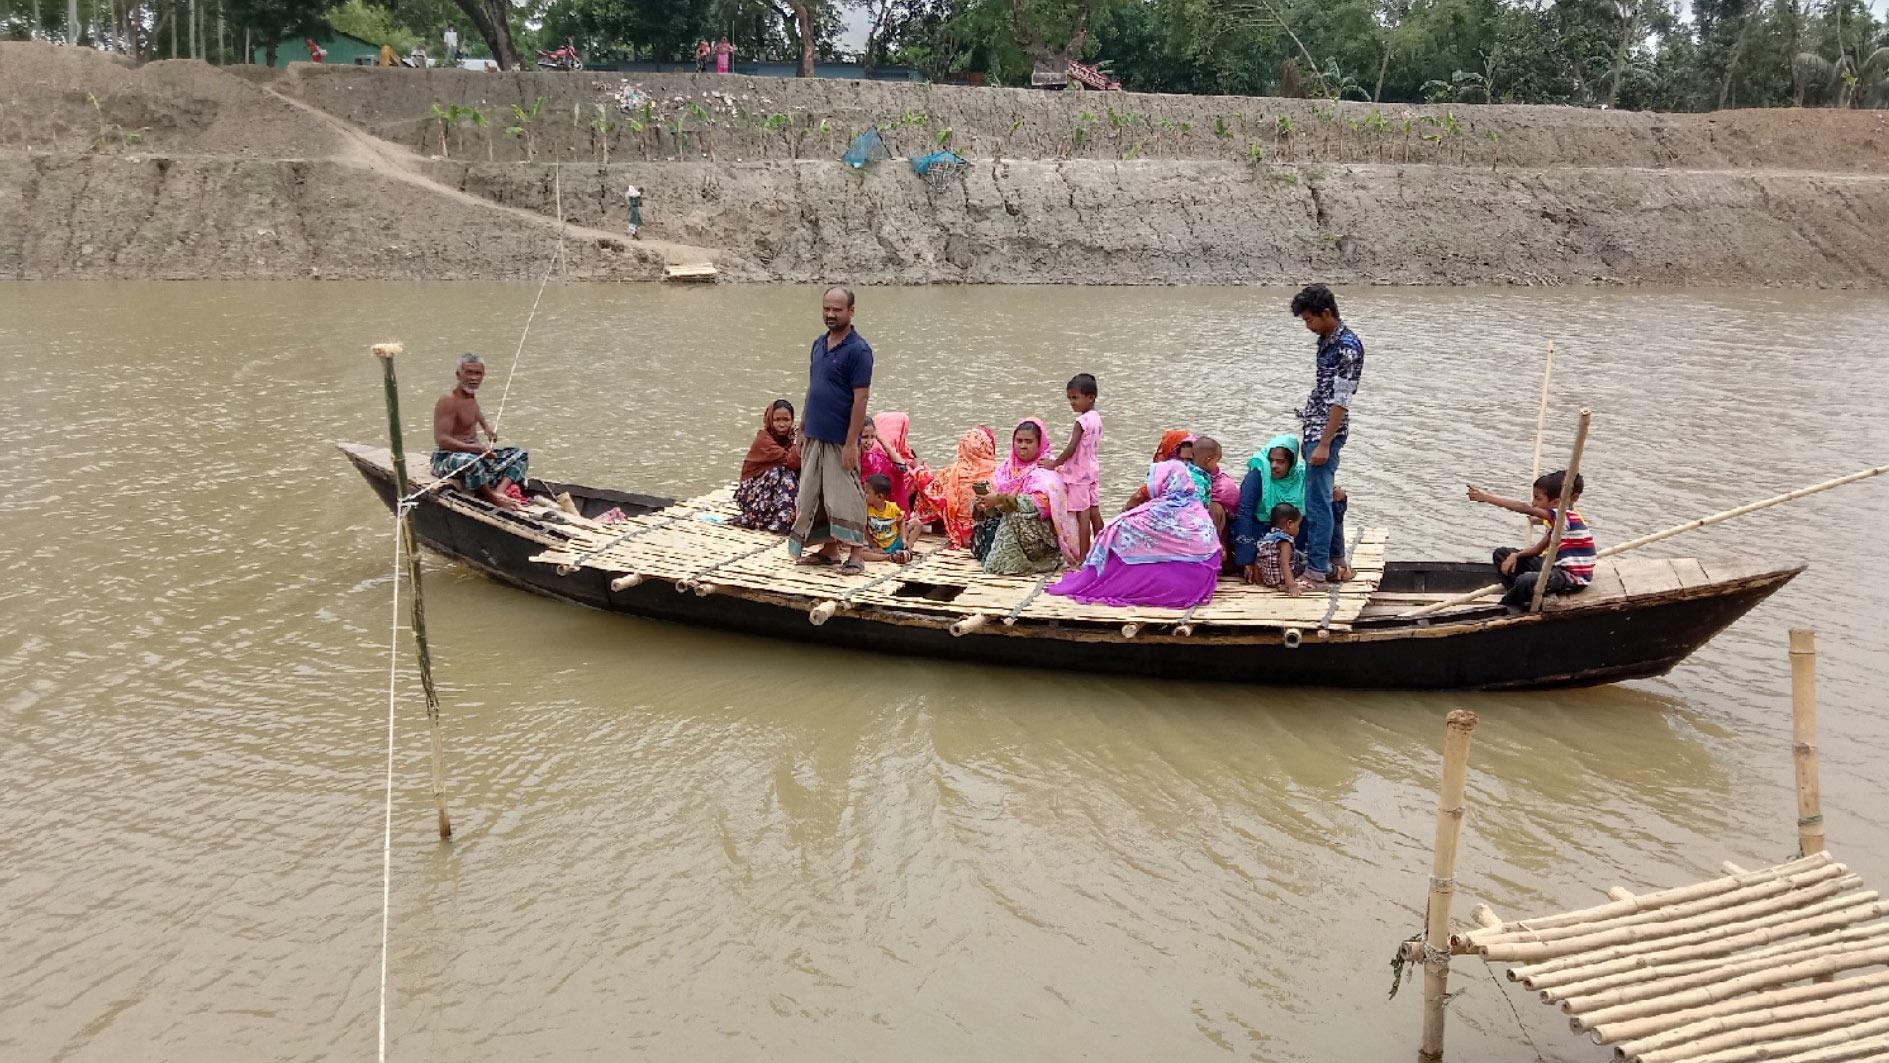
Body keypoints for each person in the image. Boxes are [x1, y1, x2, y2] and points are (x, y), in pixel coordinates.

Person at [1048, 459, 1221, 608]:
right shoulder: (1197, 508)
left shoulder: (1158, 513)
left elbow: (1120, 532)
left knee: (1118, 538)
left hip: (1181, 587)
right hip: (1202, 581)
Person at [789, 286, 873, 574]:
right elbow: (813, 387)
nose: (830, 314)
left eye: (837, 309)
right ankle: (829, 550)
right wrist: (802, 426)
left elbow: (861, 398)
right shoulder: (818, 344)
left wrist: (852, 442)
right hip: (815, 431)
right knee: (814, 492)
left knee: (846, 494)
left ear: (851, 311)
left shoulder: (858, 351)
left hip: (840, 436)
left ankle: (857, 553)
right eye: (827, 308)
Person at [1290, 283, 1363, 584]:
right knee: (1323, 496)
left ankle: (1317, 571)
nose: (1307, 326)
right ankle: (1335, 559)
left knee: (1317, 503)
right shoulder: (1326, 340)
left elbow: (1341, 400)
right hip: (1315, 427)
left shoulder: (1347, 347)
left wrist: (1324, 443)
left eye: (1309, 319)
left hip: (1325, 433)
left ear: (1326, 313)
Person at [1468, 471, 1596, 610]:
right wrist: (1515, 555)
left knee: (1526, 580)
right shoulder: (1558, 524)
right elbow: (1538, 549)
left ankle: (1505, 606)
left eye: (1538, 498)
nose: (1534, 503)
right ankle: (1522, 598)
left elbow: (1524, 508)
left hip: (1570, 577)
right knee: (1502, 554)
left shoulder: (1564, 517)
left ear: (1556, 502)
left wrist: (1486, 498)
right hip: (1554, 568)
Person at [971, 419, 1079, 575]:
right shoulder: (1006, 468)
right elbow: (995, 495)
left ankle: (1014, 562)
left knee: (1013, 514)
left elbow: (1040, 506)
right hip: (1010, 527)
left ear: (1039, 444)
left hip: (1038, 535)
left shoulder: (1047, 469)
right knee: (980, 503)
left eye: (1029, 441)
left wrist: (1000, 499)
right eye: (1019, 441)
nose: (1023, 446)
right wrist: (988, 504)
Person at [1232, 433, 1349, 577]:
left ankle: (1334, 557)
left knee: (1332, 501)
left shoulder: (1301, 475)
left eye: (1280, 462)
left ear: (1291, 463)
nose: (1274, 466)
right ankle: (1329, 570)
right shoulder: (1259, 474)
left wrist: (1335, 494)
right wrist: (1247, 560)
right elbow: (1244, 513)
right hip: (1262, 534)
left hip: (1294, 532)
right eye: (1271, 460)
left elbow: (1319, 507)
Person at [431, 353, 528, 510]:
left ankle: (499, 492)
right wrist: (476, 449)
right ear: (458, 374)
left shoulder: (470, 396)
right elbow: (442, 440)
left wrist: (487, 428)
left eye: (478, 373)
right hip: (447, 458)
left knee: (520, 453)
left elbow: (476, 413)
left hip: (475, 454)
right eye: (469, 372)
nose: (474, 378)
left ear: (483, 375)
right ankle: (492, 500)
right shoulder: (448, 400)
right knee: (471, 461)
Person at [1045, 373, 1103, 560]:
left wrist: (1054, 464)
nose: (1072, 402)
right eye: (1070, 398)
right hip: (1092, 470)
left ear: (1090, 397)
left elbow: (1071, 448)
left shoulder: (1081, 422)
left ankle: (1084, 557)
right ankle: (1104, 548)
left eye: (1075, 398)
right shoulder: (1096, 418)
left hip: (1079, 474)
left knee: (1082, 515)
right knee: (1095, 512)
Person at [911, 425, 996, 548]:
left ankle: (939, 528)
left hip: (962, 534)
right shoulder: (999, 472)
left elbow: (929, 491)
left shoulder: (952, 472)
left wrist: (919, 469)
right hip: (989, 533)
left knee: (939, 499)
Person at [733, 399, 801, 533]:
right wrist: (797, 441)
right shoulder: (763, 440)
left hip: (773, 494)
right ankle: (782, 520)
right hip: (752, 495)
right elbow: (792, 461)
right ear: (770, 420)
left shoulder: (791, 437)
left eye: (786, 420)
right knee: (781, 470)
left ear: (792, 420)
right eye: (777, 420)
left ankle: (785, 518)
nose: (782, 424)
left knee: (792, 472)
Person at [1249, 503, 1316, 595]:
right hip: (1282, 579)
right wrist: (1291, 585)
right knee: (1310, 563)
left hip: (1269, 581)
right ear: (1289, 524)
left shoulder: (1266, 539)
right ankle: (1333, 570)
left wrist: (1258, 580)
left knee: (1299, 554)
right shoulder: (1285, 542)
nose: (1298, 529)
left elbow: (1258, 560)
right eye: (1298, 525)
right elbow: (1284, 563)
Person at [870, 411, 927, 511]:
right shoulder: (902, 464)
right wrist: (919, 468)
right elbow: (926, 488)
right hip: (898, 516)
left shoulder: (864, 455)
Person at [1123, 430, 1194, 509]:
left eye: (1189, 460)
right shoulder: (1202, 475)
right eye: (1182, 459)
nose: (1185, 463)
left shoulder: (1163, 474)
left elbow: (1137, 498)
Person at [1189, 436, 1241, 530]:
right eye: (1216, 461)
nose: (1216, 465)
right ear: (1207, 460)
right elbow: (1198, 505)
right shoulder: (1199, 480)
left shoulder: (1185, 470)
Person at [861, 474, 911, 564]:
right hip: (879, 545)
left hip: (895, 542)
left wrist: (903, 539)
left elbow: (902, 520)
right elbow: (864, 528)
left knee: (917, 524)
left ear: (879, 496)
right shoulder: (866, 509)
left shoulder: (892, 508)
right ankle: (889, 557)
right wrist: (872, 544)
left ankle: (907, 549)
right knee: (860, 554)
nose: (864, 495)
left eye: (867, 493)